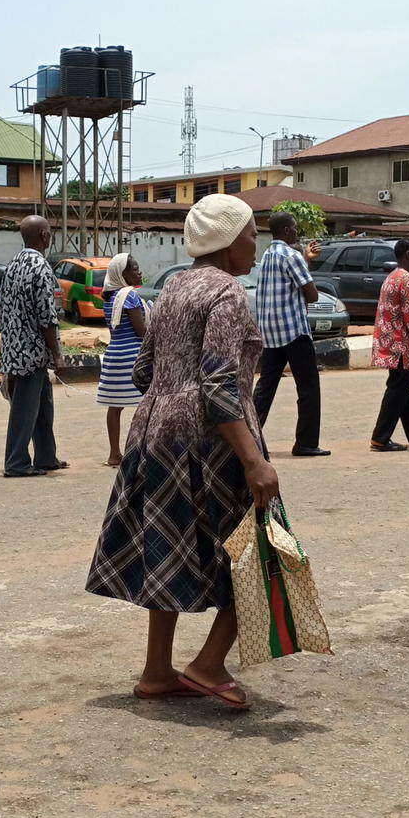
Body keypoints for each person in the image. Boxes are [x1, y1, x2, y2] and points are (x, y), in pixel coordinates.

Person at [86, 193, 278, 711]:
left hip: (152, 433)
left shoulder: (171, 288)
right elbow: (220, 387)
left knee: (164, 548)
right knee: (257, 550)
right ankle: (208, 664)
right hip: (209, 440)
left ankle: (156, 672)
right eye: (251, 235)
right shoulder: (227, 293)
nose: (255, 245)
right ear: (227, 240)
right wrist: (254, 460)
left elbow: (142, 371)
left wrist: (172, 390)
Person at [253, 212, 328, 457]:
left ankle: (249, 438)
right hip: (294, 329)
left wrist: (306, 258)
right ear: (286, 230)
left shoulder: (267, 255)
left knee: (265, 387)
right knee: (308, 388)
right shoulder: (291, 255)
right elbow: (313, 294)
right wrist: (305, 261)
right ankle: (305, 442)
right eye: (294, 228)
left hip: (270, 332)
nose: (297, 232)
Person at [0, 215, 66, 478]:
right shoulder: (41, 266)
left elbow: (2, 309)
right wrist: (57, 355)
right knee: (25, 409)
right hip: (32, 351)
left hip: (14, 347)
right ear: (44, 236)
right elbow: (47, 316)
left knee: (43, 404)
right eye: (49, 232)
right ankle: (16, 463)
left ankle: (47, 456)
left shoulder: (13, 264)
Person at [370, 239, 409, 452]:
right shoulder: (406, 280)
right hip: (401, 346)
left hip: (391, 342)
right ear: (408, 254)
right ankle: (380, 437)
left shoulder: (392, 277)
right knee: (398, 391)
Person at [98, 252, 150, 466]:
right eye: (135, 270)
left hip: (114, 355)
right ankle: (141, 453)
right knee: (147, 405)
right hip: (133, 356)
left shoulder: (109, 298)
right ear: (123, 274)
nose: (140, 273)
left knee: (115, 405)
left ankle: (114, 453)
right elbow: (140, 330)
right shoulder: (130, 296)